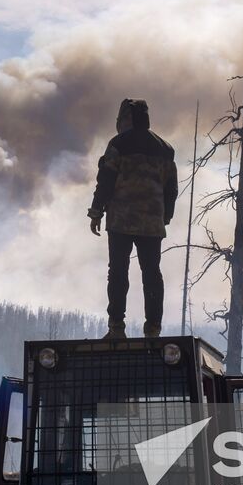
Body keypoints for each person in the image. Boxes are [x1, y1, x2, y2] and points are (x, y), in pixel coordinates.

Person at [88, 99, 178, 339]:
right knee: (152, 274)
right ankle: (153, 329)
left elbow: (106, 180)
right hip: (152, 224)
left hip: (121, 221)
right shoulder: (165, 149)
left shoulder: (118, 144)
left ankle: (116, 327)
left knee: (118, 272)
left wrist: (96, 211)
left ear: (124, 119)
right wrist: (165, 216)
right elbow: (171, 188)